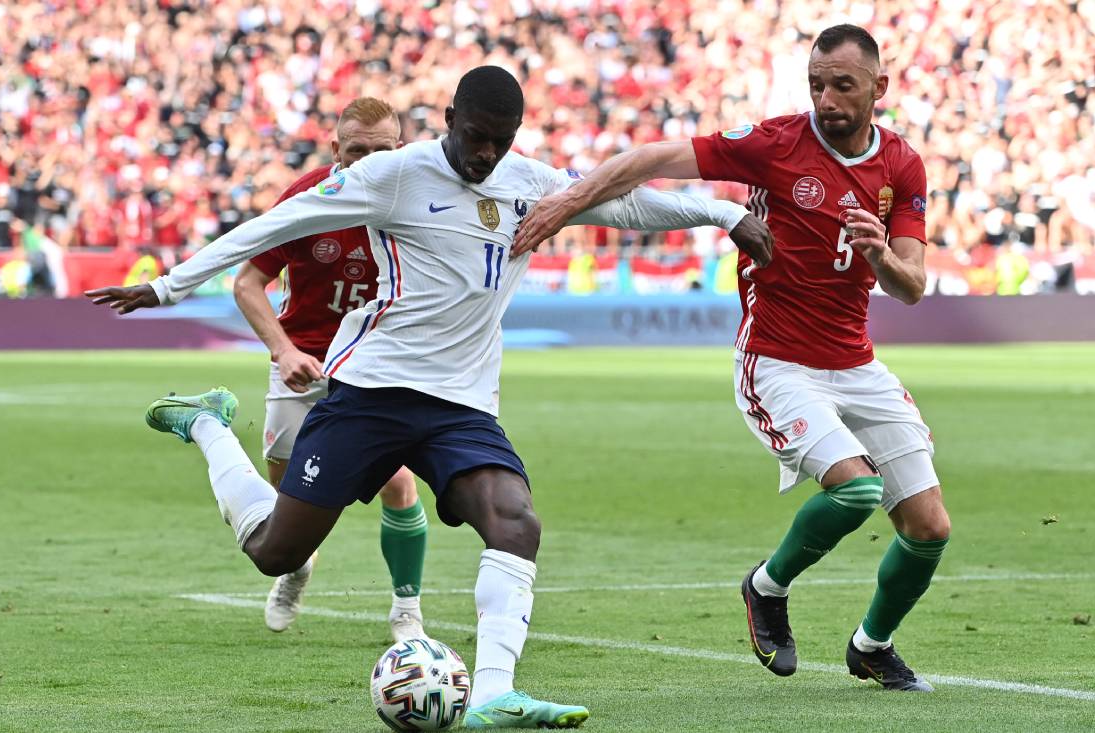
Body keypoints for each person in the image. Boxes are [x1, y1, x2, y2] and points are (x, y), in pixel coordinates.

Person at [87, 65, 772, 729]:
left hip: (461, 405)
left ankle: (495, 694)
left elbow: (622, 201)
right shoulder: (395, 174)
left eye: (499, 141)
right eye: (475, 135)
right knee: (275, 551)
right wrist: (170, 285)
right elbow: (276, 225)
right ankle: (208, 424)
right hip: (372, 391)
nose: (484, 152)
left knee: (516, 522)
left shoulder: (527, 179)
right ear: (448, 120)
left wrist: (718, 212)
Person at [513, 25, 951, 693]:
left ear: (879, 89)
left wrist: (880, 255)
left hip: (857, 363)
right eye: (816, 85)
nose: (827, 100)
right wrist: (571, 200)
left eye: (843, 86)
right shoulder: (777, 143)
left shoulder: (902, 166)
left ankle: (871, 644)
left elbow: (913, 286)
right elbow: (654, 157)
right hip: (777, 361)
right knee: (857, 488)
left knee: (929, 527)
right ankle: (766, 587)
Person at [232, 97, 429, 639]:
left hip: (376, 362)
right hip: (304, 359)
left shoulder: (421, 200)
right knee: (287, 499)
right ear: (336, 148)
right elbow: (247, 283)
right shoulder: (307, 198)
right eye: (357, 150)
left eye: (382, 151)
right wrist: (283, 350)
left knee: (397, 479)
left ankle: (406, 609)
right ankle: (298, 568)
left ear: (402, 151)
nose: (369, 161)